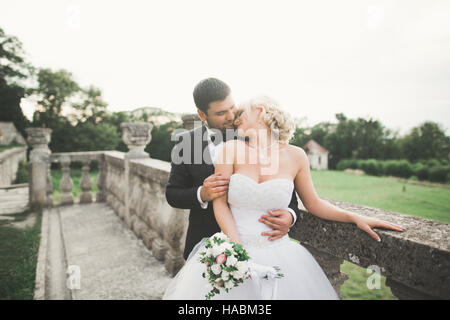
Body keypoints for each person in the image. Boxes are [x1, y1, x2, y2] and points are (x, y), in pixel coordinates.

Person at [163, 94, 406, 300]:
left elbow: (313, 203)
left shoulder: (296, 155)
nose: (236, 119)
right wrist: (236, 250)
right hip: (234, 250)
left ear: (260, 111)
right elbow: (221, 204)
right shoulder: (231, 149)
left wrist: (354, 217)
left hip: (280, 254)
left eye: (242, 113)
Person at [166, 78, 300, 261]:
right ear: (202, 115)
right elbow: (173, 194)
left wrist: (291, 216)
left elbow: (284, 185)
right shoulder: (186, 143)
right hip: (205, 243)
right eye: (221, 112)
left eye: (232, 107)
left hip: (259, 244)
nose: (231, 116)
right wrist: (202, 194)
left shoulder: (252, 133)